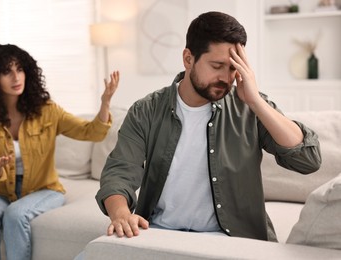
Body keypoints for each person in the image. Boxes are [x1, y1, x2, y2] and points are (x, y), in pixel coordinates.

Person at [95, 11, 321, 241]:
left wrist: (255, 102)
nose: (226, 77)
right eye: (217, 65)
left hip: (233, 239)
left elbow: (307, 159)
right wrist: (121, 214)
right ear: (188, 59)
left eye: (234, 68)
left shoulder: (249, 106)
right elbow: (119, 173)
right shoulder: (146, 111)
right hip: (159, 233)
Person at [0, 43, 119, 260]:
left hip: (44, 189)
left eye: (20, 69)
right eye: (7, 72)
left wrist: (104, 104)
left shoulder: (47, 111)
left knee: (15, 214)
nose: (16, 77)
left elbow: (90, 132)